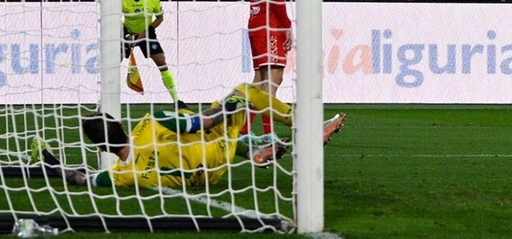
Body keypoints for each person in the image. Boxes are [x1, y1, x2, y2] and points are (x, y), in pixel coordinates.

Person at [29, 84, 345, 188]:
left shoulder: (121, 174)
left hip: (204, 178)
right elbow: (200, 123)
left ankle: (251, 151)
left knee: (198, 137)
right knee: (245, 92)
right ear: (120, 124)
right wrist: (229, 108)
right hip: (217, 150)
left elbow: (79, 178)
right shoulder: (148, 124)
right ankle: (302, 128)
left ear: (100, 146)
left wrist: (49, 161)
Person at [249, 0, 294, 138]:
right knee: (272, 80)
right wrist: (287, 25)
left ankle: (242, 131)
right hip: (270, 24)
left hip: (256, 22)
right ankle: (268, 135)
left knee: (259, 82)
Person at [120, 0, 185, 106]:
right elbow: (114, 18)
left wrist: (145, 32)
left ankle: (176, 99)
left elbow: (160, 18)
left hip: (146, 33)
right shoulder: (122, 0)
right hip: (127, 33)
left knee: (161, 61)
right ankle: (106, 99)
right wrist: (126, 35)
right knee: (114, 61)